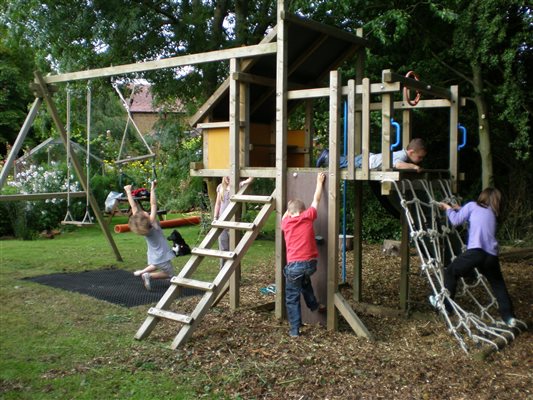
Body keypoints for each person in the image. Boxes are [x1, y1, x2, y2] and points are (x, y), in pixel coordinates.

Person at [434, 188, 517, 327]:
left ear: (482, 196)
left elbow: (455, 221)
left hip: (476, 253)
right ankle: (509, 317)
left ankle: (446, 307)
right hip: (491, 256)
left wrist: (448, 208)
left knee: (451, 271)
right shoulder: (492, 213)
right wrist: (461, 208)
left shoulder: (472, 205)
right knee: (498, 285)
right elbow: (477, 216)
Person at [281, 172, 327, 337]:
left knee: (292, 298)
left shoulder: (285, 223)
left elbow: (285, 215)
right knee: (305, 283)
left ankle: (294, 330)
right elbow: (316, 199)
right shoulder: (308, 216)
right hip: (310, 265)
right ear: (303, 210)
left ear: (290, 212)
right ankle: (314, 305)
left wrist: (288, 208)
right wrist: (319, 182)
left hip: (294, 267)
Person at [125, 180, 175, 291]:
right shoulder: (152, 223)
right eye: (145, 213)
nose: (143, 211)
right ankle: (149, 276)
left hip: (153, 255)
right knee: (170, 274)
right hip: (161, 254)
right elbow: (153, 204)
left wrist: (128, 191)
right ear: (148, 219)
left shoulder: (142, 226)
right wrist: (152, 189)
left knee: (156, 264)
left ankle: (143, 272)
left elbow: (133, 207)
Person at [316, 138, 427, 172]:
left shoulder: (403, 155)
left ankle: (327, 157)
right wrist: (414, 166)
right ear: (411, 152)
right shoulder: (402, 157)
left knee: (345, 162)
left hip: (368, 160)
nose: (420, 159)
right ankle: (326, 156)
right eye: (420, 157)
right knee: (345, 163)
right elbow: (398, 165)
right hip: (367, 161)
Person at [213, 176, 254, 268]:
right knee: (223, 247)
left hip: (233, 222)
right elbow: (218, 203)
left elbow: (250, 180)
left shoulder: (237, 186)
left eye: (230, 175)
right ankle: (222, 270)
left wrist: (250, 176)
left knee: (233, 248)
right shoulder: (220, 187)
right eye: (226, 176)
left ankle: (232, 271)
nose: (228, 177)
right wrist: (215, 217)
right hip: (222, 221)